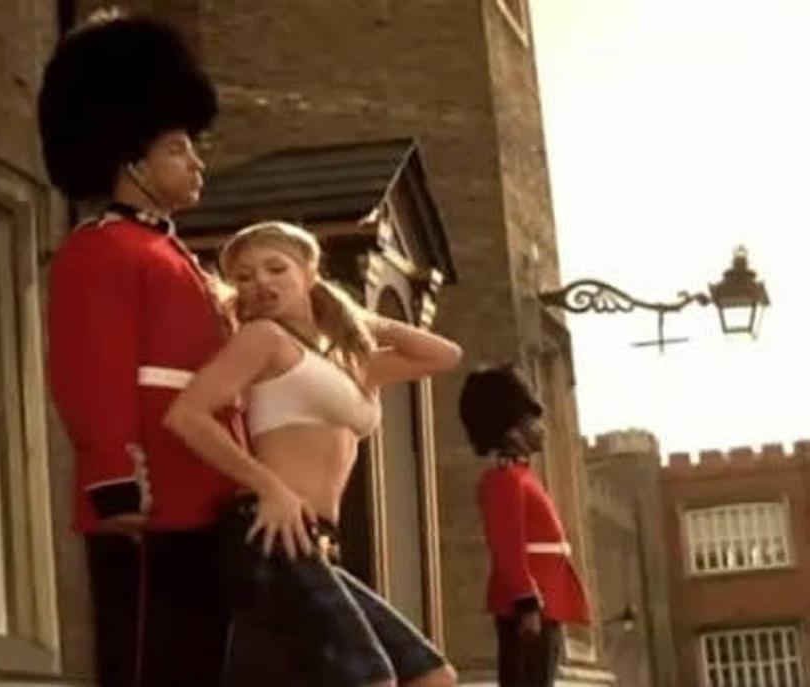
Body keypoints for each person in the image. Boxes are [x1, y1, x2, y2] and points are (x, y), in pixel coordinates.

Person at [162, 221, 461, 687]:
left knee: (431, 676)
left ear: (310, 272)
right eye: (243, 277)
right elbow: (186, 415)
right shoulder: (262, 339)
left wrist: (355, 317)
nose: (260, 283)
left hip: (316, 538)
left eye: (276, 268)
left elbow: (443, 354)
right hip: (267, 526)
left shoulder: (349, 362)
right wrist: (270, 487)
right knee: (369, 677)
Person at [39, 11, 241, 686]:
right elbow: (90, 377)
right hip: (152, 503)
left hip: (203, 495)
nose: (196, 161)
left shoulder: (169, 252)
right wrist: (115, 486)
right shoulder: (99, 250)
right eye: (178, 148)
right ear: (131, 160)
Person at [458, 364, 591, 687]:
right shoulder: (504, 480)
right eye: (531, 421)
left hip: (545, 599)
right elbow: (507, 547)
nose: (541, 429)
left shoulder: (520, 477)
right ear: (511, 432)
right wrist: (527, 603)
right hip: (530, 605)